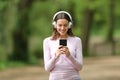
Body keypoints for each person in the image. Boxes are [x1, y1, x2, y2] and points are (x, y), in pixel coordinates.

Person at [43, 11, 83, 80]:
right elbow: (47, 68)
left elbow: (79, 67)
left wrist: (69, 56)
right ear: (55, 25)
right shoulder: (47, 41)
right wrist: (55, 56)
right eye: (60, 25)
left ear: (69, 25)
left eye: (65, 25)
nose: (62, 28)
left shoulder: (77, 40)